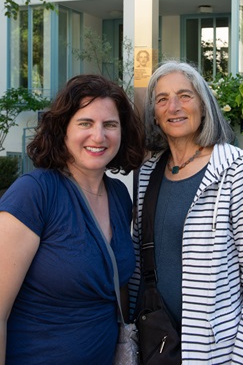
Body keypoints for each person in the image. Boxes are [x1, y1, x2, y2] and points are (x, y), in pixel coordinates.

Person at [129, 61, 243, 364]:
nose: (174, 107)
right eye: (162, 99)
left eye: (185, 95)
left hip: (216, 353)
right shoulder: (147, 173)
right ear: (155, 116)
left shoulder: (238, 172)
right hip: (154, 344)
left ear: (203, 104)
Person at [0, 74, 145, 364]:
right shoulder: (35, 193)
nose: (99, 136)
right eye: (85, 123)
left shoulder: (118, 196)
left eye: (110, 125)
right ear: (62, 129)